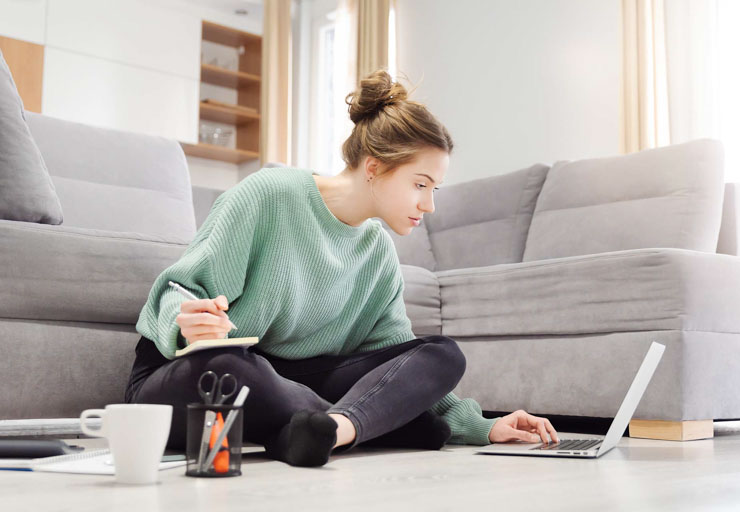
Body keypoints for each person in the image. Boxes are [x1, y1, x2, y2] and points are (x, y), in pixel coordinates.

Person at [124, 69, 559, 467]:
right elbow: (177, 289)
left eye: (435, 189)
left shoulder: (377, 251)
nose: (429, 205)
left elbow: (396, 360)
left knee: (443, 354)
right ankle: (354, 424)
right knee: (233, 366)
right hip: (194, 376)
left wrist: (481, 426)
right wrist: (188, 322)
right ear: (374, 168)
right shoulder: (269, 195)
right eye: (421, 185)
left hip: (287, 384)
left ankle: (331, 431)